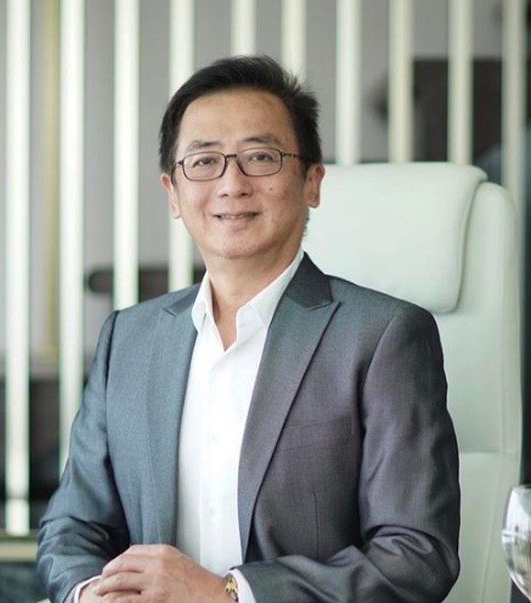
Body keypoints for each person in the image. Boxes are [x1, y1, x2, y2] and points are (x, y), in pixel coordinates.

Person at [36, 54, 460, 603]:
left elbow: (416, 554)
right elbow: (72, 527)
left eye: (260, 157)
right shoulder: (129, 340)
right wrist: (91, 592)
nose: (231, 184)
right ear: (173, 193)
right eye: (204, 161)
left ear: (312, 182)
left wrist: (230, 594)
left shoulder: (382, 337)